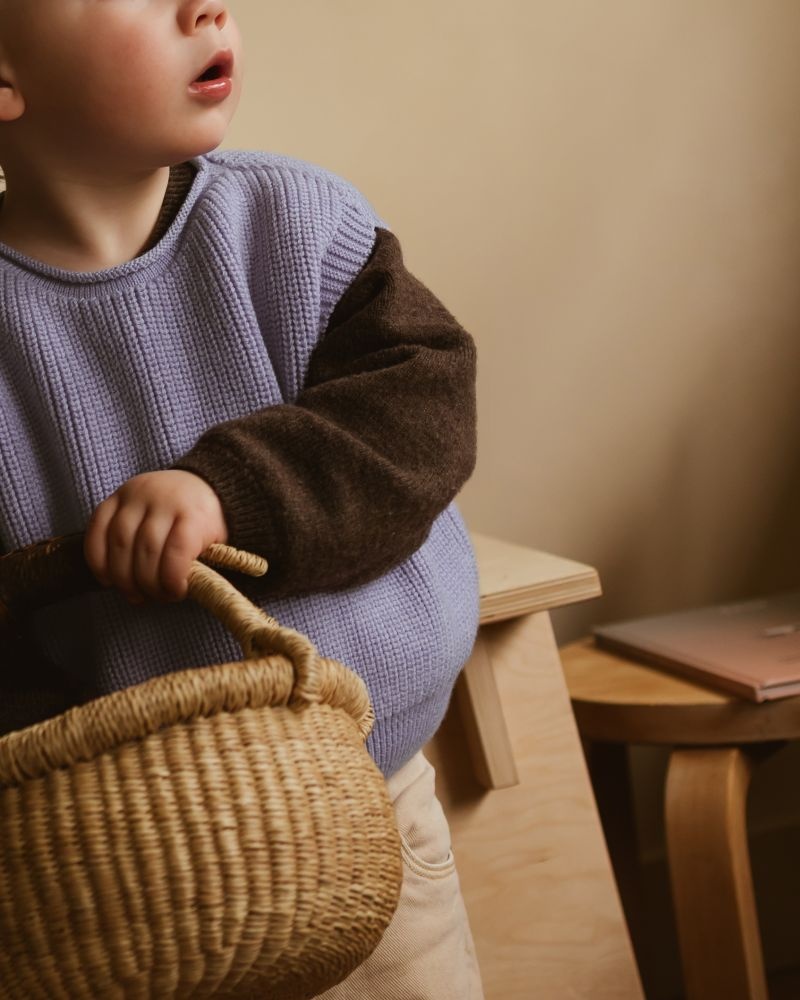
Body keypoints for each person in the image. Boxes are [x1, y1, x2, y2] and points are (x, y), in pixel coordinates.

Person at [0, 0, 484, 997]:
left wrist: (231, 492)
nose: (205, 7)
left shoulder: (296, 221)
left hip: (370, 796)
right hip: (114, 864)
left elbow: (421, 410)